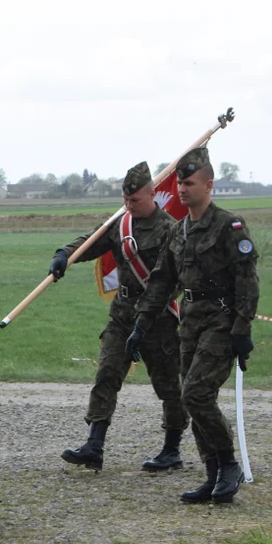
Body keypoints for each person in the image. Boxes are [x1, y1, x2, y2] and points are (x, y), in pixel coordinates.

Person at [126, 146, 260, 504]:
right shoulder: (179, 231)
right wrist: (141, 324)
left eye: (189, 183)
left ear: (208, 185)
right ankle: (213, 473)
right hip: (190, 321)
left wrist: (242, 329)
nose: (182, 189)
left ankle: (228, 463)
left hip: (222, 319)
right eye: (180, 183)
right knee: (198, 398)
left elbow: (247, 281)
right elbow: (160, 282)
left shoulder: (229, 226)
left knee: (195, 395)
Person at [50, 162, 188, 472]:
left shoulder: (170, 230)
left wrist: (145, 320)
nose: (129, 205)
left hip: (157, 319)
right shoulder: (120, 224)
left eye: (135, 200)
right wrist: (64, 254)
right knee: (106, 376)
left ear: (152, 193)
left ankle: (171, 450)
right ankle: (94, 446)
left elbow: (171, 282)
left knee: (169, 387)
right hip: (122, 316)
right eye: (125, 200)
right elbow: (91, 242)